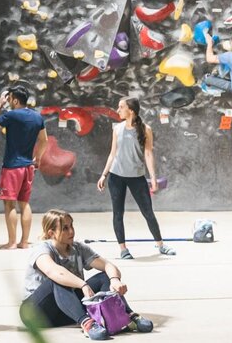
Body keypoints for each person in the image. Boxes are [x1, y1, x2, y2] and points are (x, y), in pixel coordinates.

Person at [19, 210, 152, 341]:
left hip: (65, 311)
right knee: (58, 279)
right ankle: (87, 323)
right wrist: (82, 284)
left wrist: (115, 279)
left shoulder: (78, 248)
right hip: (35, 313)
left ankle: (125, 314)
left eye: (71, 226)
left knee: (104, 276)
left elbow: (108, 265)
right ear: (51, 233)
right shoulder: (42, 249)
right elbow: (54, 272)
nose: (71, 231)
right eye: (65, 228)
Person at [96, 97, 175, 259]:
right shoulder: (117, 129)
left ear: (130, 110)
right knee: (118, 213)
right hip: (116, 177)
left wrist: (153, 178)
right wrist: (104, 174)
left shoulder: (146, 129)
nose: (118, 110)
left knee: (148, 212)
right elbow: (112, 154)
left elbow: (148, 153)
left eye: (121, 107)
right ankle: (123, 249)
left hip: (137, 178)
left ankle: (160, 244)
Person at [0, 85, 48, 249]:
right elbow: (44, 140)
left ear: (14, 100)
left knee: (9, 204)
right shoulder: (37, 117)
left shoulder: (12, 115)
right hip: (28, 166)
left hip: (12, 166)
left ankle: (12, 242)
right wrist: (38, 159)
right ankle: (24, 242)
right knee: (24, 203)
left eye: (10, 99)